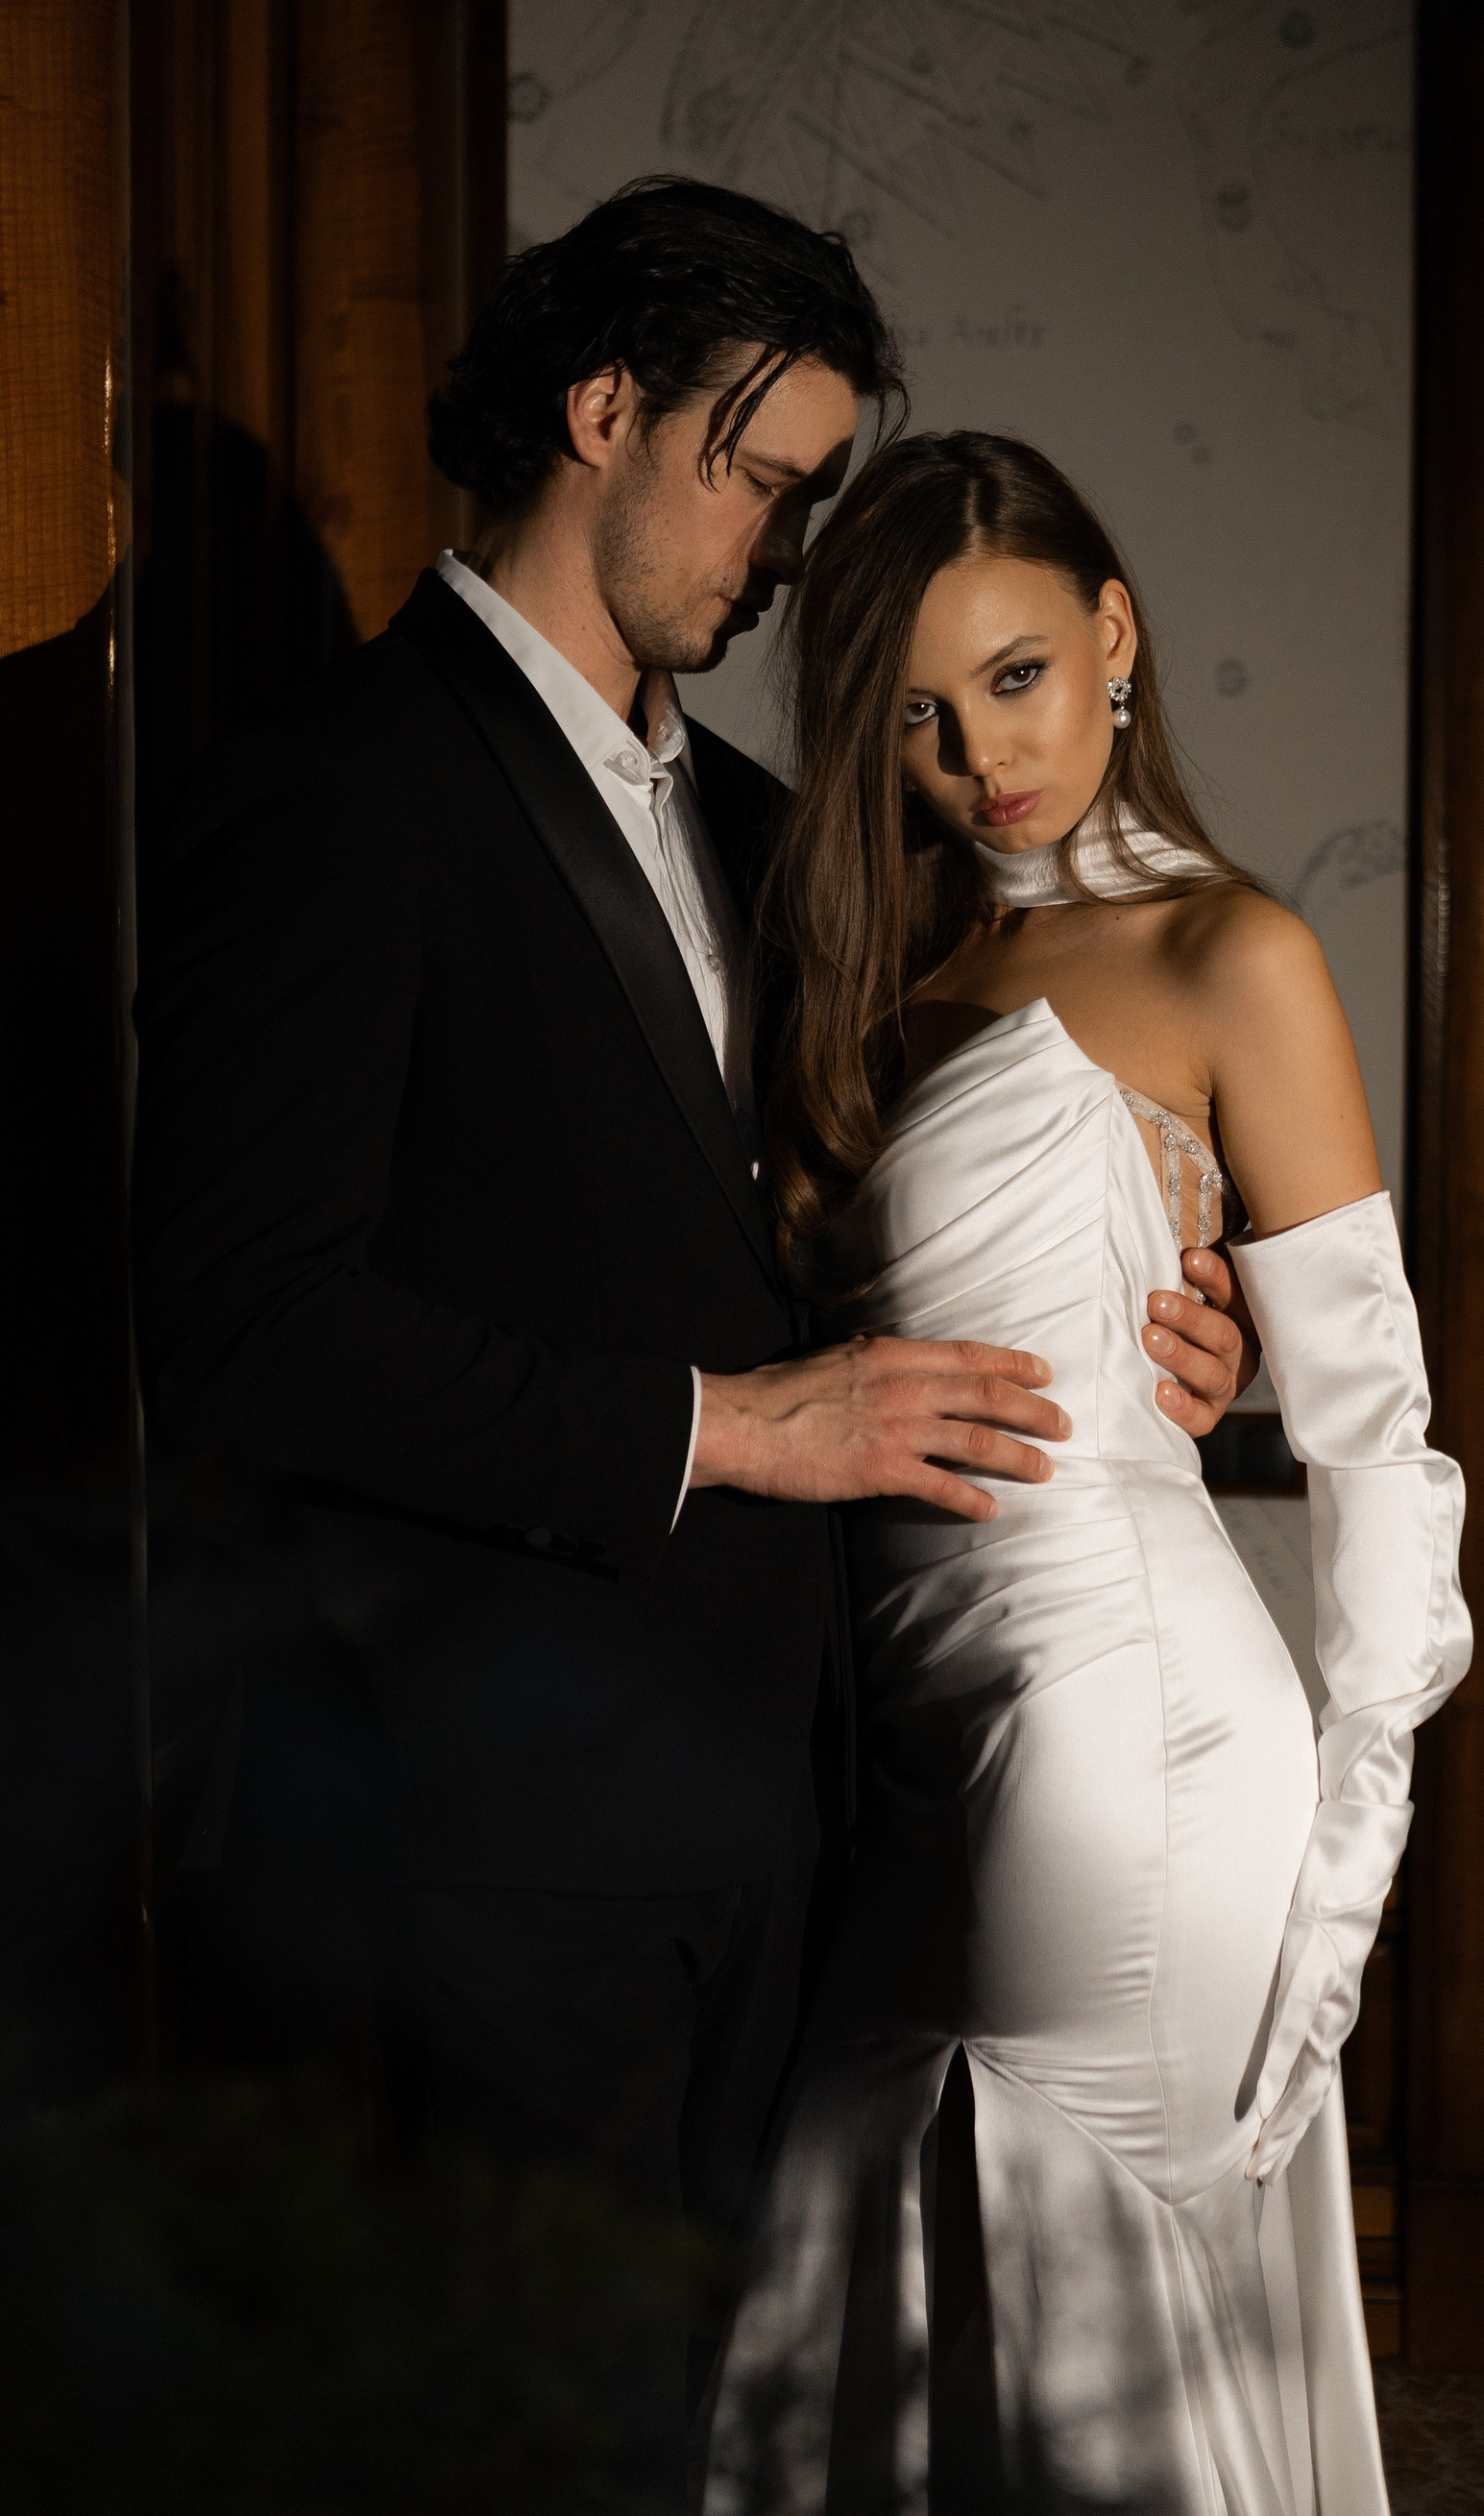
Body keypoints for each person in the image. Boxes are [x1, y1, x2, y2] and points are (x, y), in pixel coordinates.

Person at [131, 183, 1253, 2460]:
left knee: (728, 2448)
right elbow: (241, 1326)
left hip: (793, 1804)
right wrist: (728, 1429)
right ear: (602, 408)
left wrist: (1159, 1315)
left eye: (815, 493)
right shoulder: (334, 791)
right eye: (759, 476)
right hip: (480, 1833)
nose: (787, 551)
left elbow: (875, 1228)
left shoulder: (773, 828)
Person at [700, 432, 1473, 2516]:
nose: (984, 759)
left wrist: (1353, 1866)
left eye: (1020, 677)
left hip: (1120, 1722)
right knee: (914, 2299)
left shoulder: (1233, 954)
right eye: (921, 717)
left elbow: (1378, 1441)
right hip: (916, 1711)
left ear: (1114, 636)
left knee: (1066, 2331)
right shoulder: (885, 970)